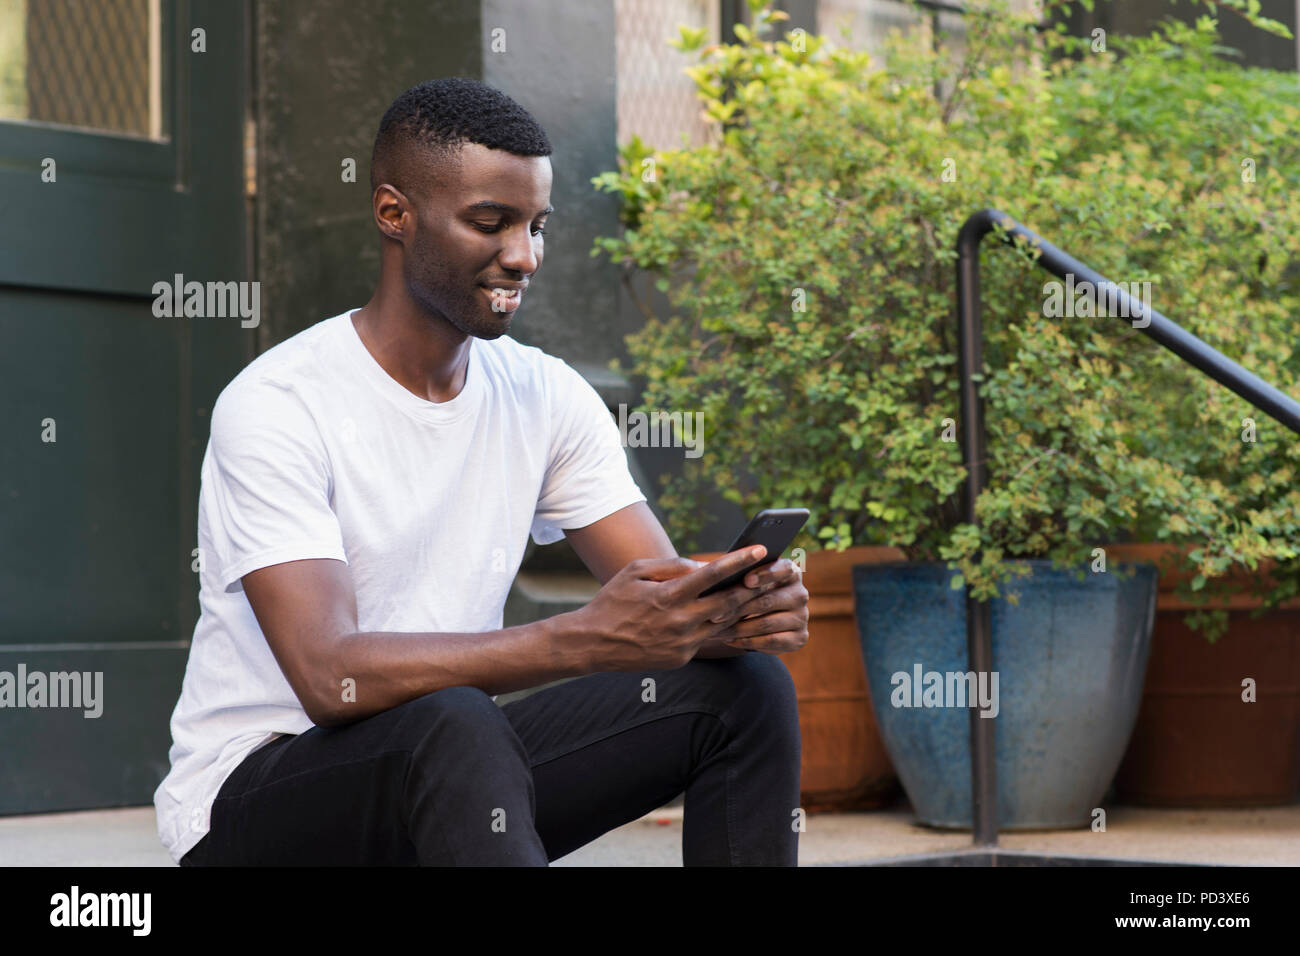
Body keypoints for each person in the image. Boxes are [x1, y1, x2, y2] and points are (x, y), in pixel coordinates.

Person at [154, 77, 808, 867]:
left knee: (743, 693)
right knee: (456, 720)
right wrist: (578, 638)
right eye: (489, 223)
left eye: (537, 226)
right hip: (259, 804)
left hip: (453, 775)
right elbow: (331, 679)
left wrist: (723, 617)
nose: (524, 256)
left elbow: (651, 595)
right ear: (394, 214)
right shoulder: (278, 404)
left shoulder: (546, 395)